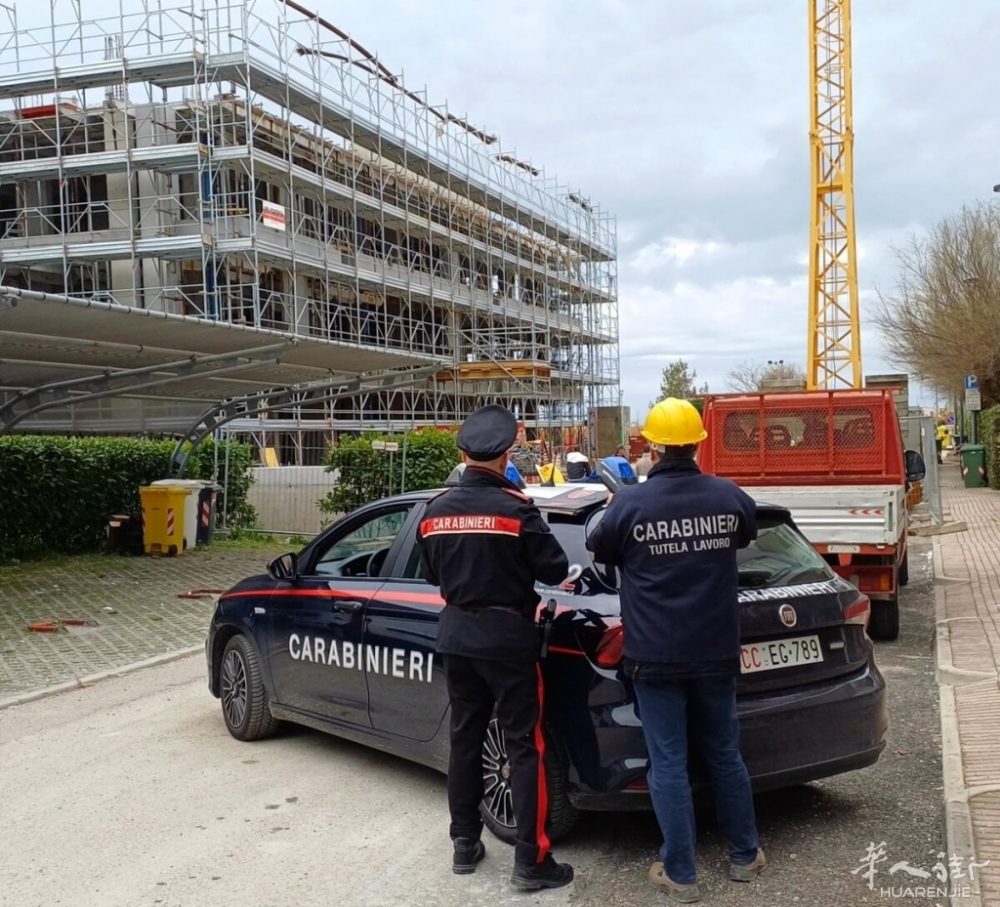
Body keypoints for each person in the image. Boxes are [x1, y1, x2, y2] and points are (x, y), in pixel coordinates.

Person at [586, 398, 765, 903]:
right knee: (725, 754)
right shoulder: (729, 495)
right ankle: (744, 855)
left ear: (655, 446)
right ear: (698, 443)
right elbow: (748, 532)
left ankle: (681, 872)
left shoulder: (629, 504)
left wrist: (616, 510)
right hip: (715, 650)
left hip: (655, 655)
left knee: (668, 763)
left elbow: (601, 548)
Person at [416, 404, 575, 892]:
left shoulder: (434, 511)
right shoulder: (517, 510)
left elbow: (431, 576)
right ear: (507, 455)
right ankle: (531, 862)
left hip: (458, 637)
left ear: (463, 455)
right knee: (524, 748)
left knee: (465, 739)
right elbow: (555, 570)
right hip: (508, 642)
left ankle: (465, 843)